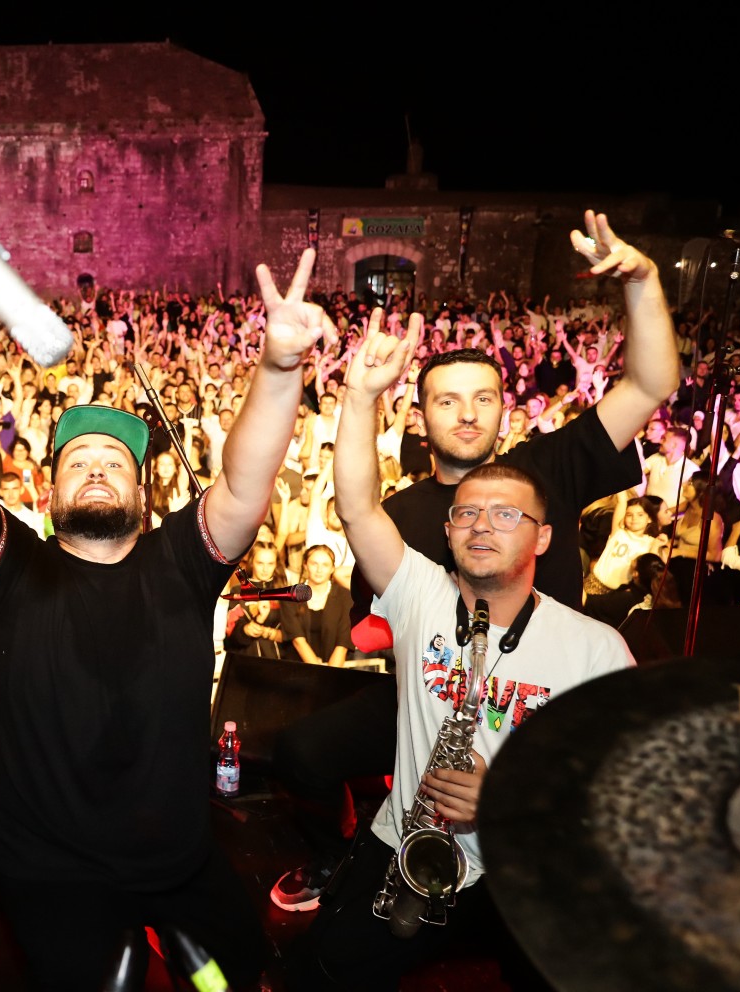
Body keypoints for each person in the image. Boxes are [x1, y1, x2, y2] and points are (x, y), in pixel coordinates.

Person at [0, 247, 334, 991]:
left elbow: (246, 478)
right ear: (47, 488)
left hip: (179, 858)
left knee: (230, 977)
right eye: (78, 459)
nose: (96, 467)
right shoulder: (11, 569)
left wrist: (281, 367)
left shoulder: (184, 562)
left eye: (114, 460)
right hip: (46, 872)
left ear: (144, 488)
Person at [269, 211, 679, 912]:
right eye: (447, 401)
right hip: (429, 693)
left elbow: (647, 386)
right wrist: (360, 394)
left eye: (483, 398)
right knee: (302, 750)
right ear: (421, 417)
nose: (466, 414)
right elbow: (357, 508)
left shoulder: (548, 465)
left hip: (538, 699)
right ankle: (343, 854)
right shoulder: (401, 510)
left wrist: (642, 280)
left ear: (504, 410)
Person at [295, 314, 634, 989]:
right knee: (318, 971)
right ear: (446, 533)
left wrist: (506, 798)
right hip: (409, 849)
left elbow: (615, 797)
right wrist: (359, 398)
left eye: (506, 513)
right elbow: (359, 507)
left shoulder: (599, 649)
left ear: (541, 537)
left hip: (525, 865)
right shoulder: (421, 595)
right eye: (468, 514)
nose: (483, 524)